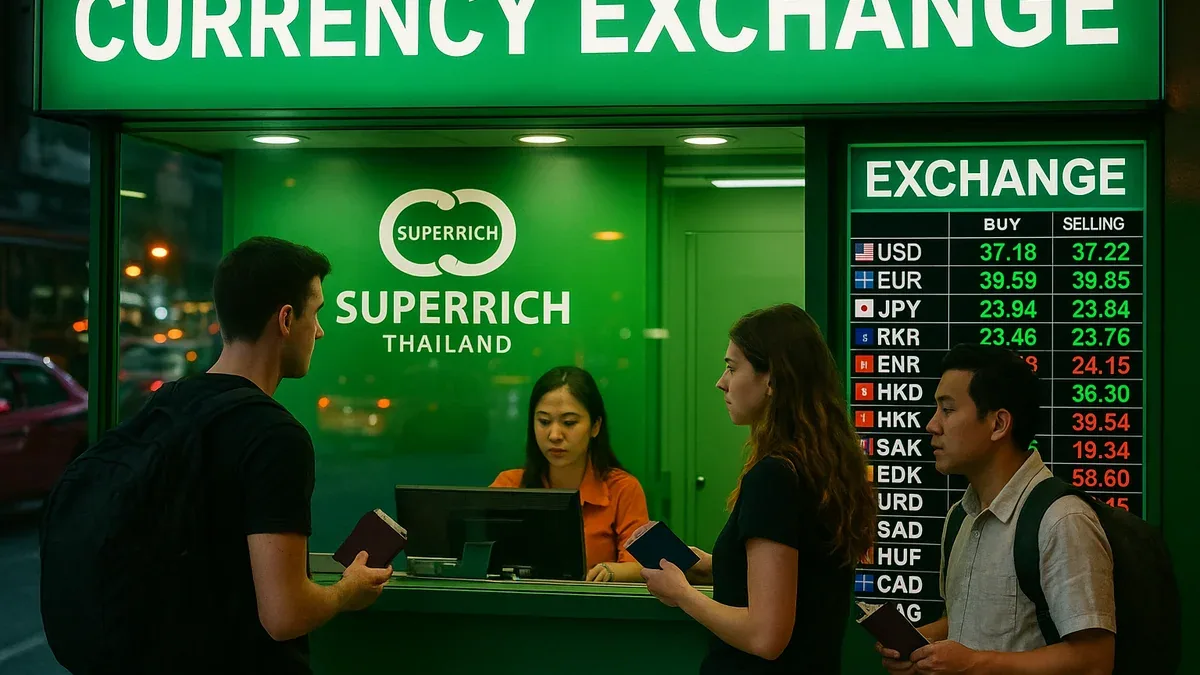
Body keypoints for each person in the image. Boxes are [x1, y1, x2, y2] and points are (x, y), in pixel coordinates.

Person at [44, 237, 391, 674]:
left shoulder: (169, 405)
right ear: (286, 319)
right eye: (316, 312)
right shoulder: (274, 435)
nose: (319, 330)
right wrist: (347, 589)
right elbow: (286, 615)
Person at [642, 303, 875, 674]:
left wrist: (682, 594)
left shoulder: (774, 477)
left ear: (772, 380)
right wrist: (716, 567)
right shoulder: (820, 468)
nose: (722, 381)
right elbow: (802, 581)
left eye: (733, 368)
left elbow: (766, 637)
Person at [878, 343, 1116, 675]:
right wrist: (923, 645)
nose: (932, 425)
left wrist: (976, 664)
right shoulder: (959, 518)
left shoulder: (1062, 520)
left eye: (947, 410)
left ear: (998, 424)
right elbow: (974, 618)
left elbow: (1095, 660)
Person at [491, 365, 650, 583]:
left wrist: (611, 571)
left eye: (569, 423)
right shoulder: (508, 485)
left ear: (595, 426)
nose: (555, 435)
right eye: (544, 422)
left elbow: (642, 566)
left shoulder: (622, 489)